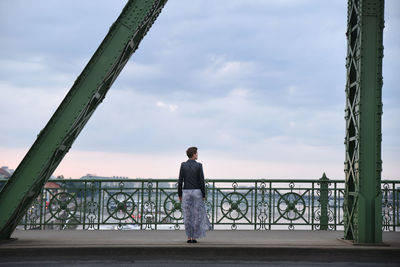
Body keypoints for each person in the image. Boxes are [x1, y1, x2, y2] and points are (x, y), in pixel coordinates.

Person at [178, 147, 211, 243]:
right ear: (193, 154)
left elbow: (180, 181)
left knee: (187, 215)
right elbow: (202, 181)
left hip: (186, 192)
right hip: (197, 192)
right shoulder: (199, 166)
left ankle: (189, 237)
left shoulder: (183, 165)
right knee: (197, 215)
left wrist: (180, 194)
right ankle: (194, 237)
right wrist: (204, 194)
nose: (197, 155)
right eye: (196, 153)